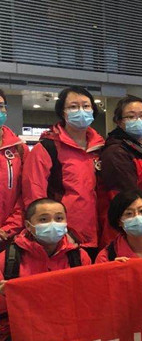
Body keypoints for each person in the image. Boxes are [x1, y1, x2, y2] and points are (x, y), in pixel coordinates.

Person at [0, 198, 91, 341]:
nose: (53, 224)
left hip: (68, 324)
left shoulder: (78, 255)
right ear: (29, 225)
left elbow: (91, 296)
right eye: (43, 219)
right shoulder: (8, 259)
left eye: (59, 218)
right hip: (21, 328)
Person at [23, 87, 104, 255]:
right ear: (63, 112)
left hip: (102, 236)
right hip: (64, 238)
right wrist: (54, 232)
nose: (81, 111)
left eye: (86, 106)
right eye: (73, 106)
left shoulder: (102, 148)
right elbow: (34, 195)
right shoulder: (47, 148)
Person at [99, 95, 142, 244]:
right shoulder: (116, 152)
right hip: (133, 230)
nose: (138, 120)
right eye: (131, 117)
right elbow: (127, 199)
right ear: (118, 121)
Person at [0, 89, 27, 247]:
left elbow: (26, 194)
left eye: (1, 106)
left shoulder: (19, 149)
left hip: (9, 237)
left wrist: (9, 228)